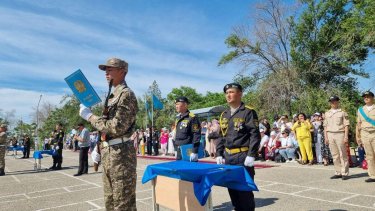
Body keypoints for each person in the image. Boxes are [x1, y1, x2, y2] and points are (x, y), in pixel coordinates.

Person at [79, 57, 138, 210]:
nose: (106, 73)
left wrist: (90, 117)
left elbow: (116, 127)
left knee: (122, 203)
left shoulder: (126, 95)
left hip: (121, 155)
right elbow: (105, 127)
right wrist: (99, 147)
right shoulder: (112, 97)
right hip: (109, 152)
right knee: (110, 202)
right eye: (105, 70)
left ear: (122, 72)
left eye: (110, 69)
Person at [216, 83, 261, 211]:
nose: (228, 95)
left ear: (240, 93)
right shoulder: (224, 114)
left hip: (243, 157)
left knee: (244, 193)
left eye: (231, 92)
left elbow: (254, 135)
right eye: (227, 93)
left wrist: (252, 155)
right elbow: (221, 136)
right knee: (233, 191)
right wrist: (219, 153)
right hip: (228, 157)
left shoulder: (248, 111)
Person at [324, 96, 350, 180]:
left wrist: (346, 136)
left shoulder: (342, 112)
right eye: (331, 101)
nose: (333, 103)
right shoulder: (327, 113)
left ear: (338, 102)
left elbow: (346, 125)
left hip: (340, 134)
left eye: (334, 101)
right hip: (330, 134)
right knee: (335, 155)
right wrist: (326, 137)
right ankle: (338, 172)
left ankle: (344, 173)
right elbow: (325, 126)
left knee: (343, 154)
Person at [356, 91, 375, 182]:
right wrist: (358, 136)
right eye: (364, 97)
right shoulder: (360, 110)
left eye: (368, 96)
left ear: (372, 97)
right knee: (369, 155)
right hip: (365, 134)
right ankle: (372, 175)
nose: (366, 98)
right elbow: (358, 124)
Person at [174, 96, 201, 161]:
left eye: (178, 104)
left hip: (188, 150)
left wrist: (195, 151)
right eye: (176, 104)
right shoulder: (178, 118)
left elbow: (196, 134)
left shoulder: (192, 118)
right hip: (179, 149)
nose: (176, 106)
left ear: (185, 105)